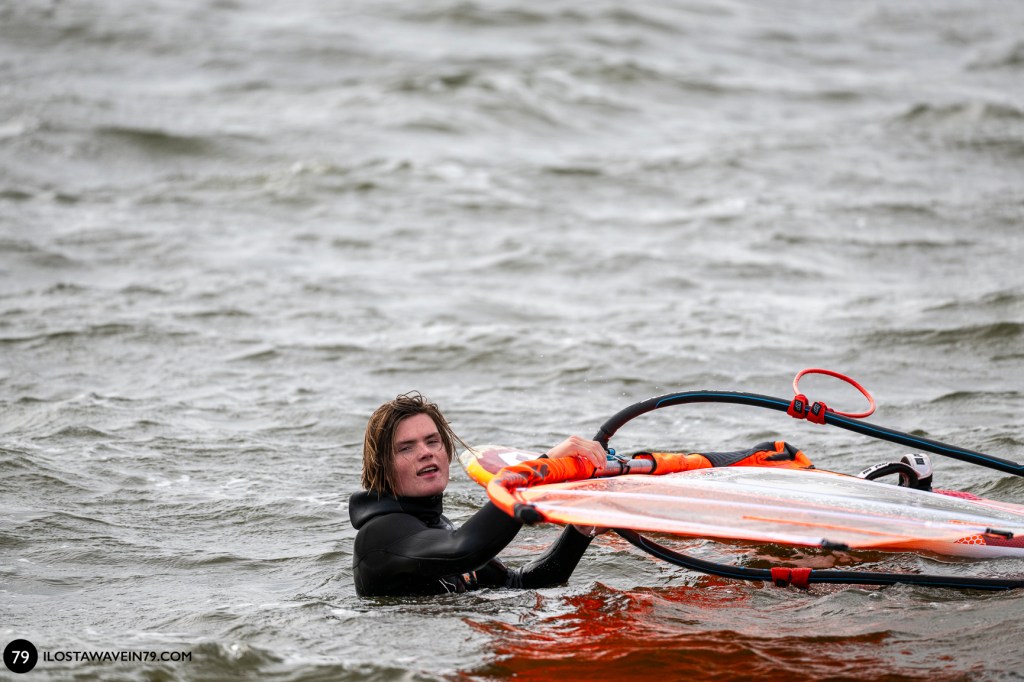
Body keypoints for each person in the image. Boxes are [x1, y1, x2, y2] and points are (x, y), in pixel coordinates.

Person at [349, 391, 607, 597]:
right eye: (406, 448)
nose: (425, 452)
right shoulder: (379, 536)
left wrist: (579, 532)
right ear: (382, 467)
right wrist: (541, 468)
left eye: (432, 441)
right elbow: (465, 549)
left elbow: (518, 584)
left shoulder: (436, 527)